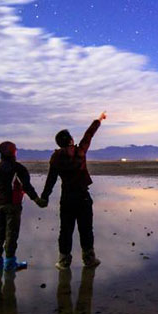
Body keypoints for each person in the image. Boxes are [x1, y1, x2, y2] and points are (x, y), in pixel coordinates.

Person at [39, 112, 106, 269]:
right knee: (86, 229)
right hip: (83, 196)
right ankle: (89, 260)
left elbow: (51, 179)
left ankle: (63, 261)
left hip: (67, 197)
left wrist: (44, 197)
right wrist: (99, 119)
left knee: (66, 230)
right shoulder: (80, 151)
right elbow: (89, 135)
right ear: (70, 140)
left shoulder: (56, 158)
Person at [0, 141, 46, 272]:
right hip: (13, 206)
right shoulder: (19, 169)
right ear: (13, 152)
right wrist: (37, 200)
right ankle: (10, 264)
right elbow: (26, 187)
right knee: (11, 235)